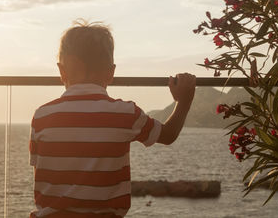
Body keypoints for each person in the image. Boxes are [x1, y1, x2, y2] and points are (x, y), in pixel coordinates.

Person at [29, 19, 196, 218]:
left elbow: (41, 176)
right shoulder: (125, 113)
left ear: (61, 71)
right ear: (111, 73)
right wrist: (184, 101)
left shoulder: (42, 116)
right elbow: (168, 135)